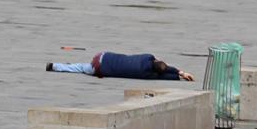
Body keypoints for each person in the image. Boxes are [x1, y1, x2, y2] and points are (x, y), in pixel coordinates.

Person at [46, 51, 194, 81]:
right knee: (79, 68)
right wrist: (179, 75)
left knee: (78, 66)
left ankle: (54, 65)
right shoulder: (146, 74)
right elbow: (164, 74)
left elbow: (163, 66)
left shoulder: (147, 57)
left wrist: (180, 72)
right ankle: (54, 66)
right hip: (99, 68)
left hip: (104, 55)